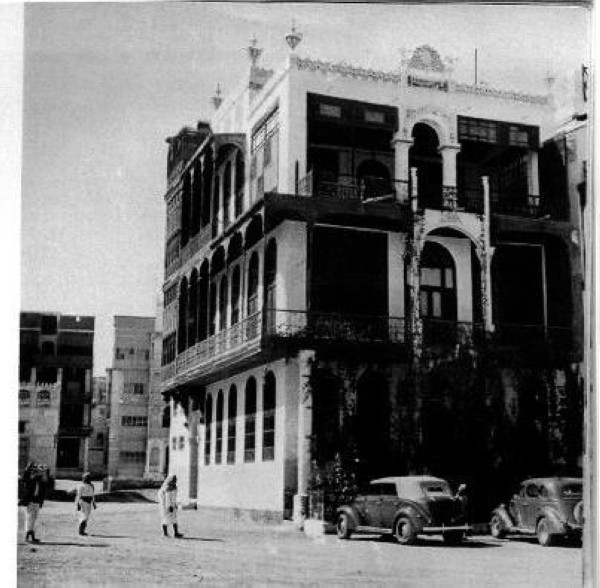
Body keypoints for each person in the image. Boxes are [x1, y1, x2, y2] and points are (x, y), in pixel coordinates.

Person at [20, 463, 48, 543]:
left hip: (37, 501)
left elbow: (46, 480)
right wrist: (28, 468)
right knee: (29, 518)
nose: (37, 472)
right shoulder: (30, 480)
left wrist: (44, 471)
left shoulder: (40, 480)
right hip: (30, 501)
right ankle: (28, 535)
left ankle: (31, 535)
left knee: (34, 519)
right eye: (35, 471)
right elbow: (25, 477)